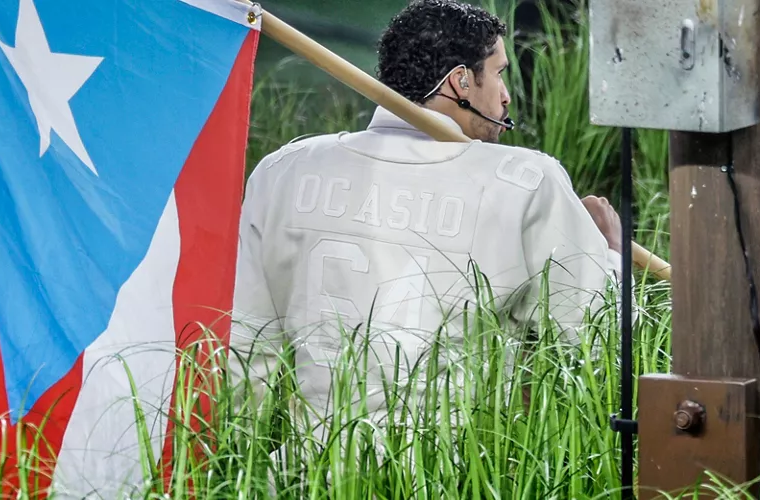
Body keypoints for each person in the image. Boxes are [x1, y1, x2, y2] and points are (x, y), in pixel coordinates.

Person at [226, 0, 623, 432]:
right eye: (499, 73)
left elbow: (245, 354)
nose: (506, 95)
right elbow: (592, 341)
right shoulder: (528, 180)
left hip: (307, 473)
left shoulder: (282, 169)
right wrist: (610, 252)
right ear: (461, 82)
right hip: (452, 477)